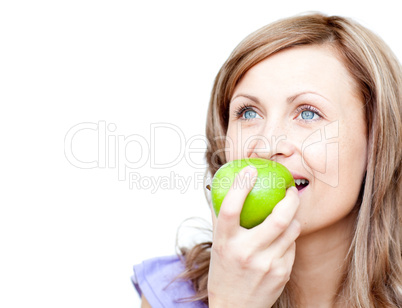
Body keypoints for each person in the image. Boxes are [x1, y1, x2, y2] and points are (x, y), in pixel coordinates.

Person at [132, 12, 402, 307]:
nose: (265, 145)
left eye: (308, 113)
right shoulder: (171, 293)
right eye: (248, 113)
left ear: (377, 139)